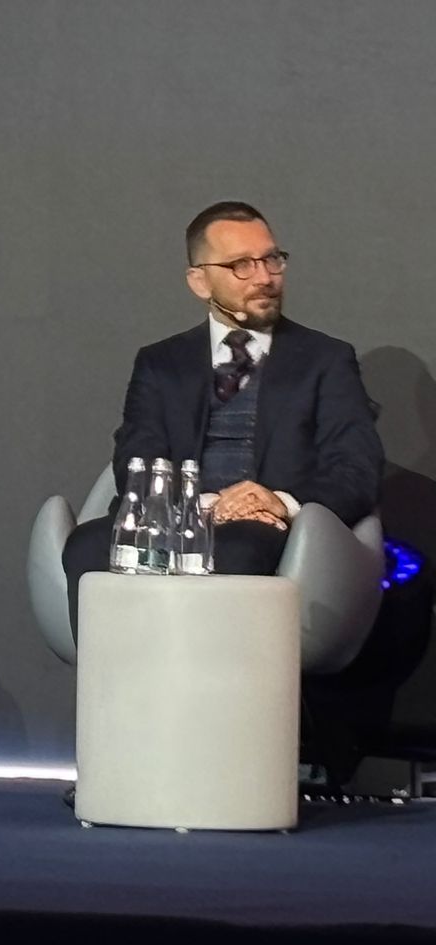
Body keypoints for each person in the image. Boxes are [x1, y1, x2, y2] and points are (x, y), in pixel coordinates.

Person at [62, 200, 383, 631]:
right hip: (177, 517)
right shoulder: (161, 363)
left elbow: (357, 468)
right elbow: (137, 457)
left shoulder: (325, 359)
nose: (265, 277)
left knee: (235, 550)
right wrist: (209, 506)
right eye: (241, 265)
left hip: (272, 531)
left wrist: (278, 502)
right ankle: (119, 673)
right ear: (200, 281)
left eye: (271, 259)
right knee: (88, 545)